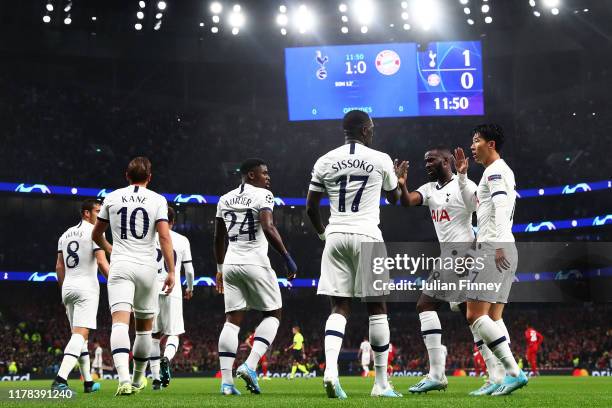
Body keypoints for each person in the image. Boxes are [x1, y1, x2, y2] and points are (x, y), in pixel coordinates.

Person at [306, 109, 405, 399]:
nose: (373, 131)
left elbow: (311, 207)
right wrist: (398, 180)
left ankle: (331, 372)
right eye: (371, 127)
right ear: (363, 130)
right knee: (377, 308)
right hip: (368, 235)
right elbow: (395, 198)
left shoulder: (325, 160)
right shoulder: (380, 159)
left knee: (339, 307)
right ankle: (381, 384)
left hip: (335, 235)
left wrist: (325, 235)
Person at [395, 147, 477, 393]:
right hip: (448, 257)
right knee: (468, 314)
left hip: (463, 255)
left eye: (430, 160)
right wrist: (401, 184)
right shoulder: (430, 190)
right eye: (424, 160)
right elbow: (408, 202)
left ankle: (438, 374)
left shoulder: (463, 184)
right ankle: (498, 370)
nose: (427, 164)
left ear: (446, 161)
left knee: (430, 305)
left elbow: (478, 210)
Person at [454, 124, 528, 396]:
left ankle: (513, 372)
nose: (472, 147)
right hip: (504, 246)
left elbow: (500, 207)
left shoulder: (495, 171)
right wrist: (462, 178)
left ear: (491, 144)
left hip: (492, 248)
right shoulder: (496, 172)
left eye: (476, 141)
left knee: (474, 315)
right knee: (494, 317)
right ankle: (500, 377)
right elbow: (476, 206)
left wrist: (495, 246)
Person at [92, 156, 175, 396]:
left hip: (121, 266)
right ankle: (139, 379)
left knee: (119, 322)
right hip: (147, 268)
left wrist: (110, 249)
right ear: (150, 177)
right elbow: (164, 237)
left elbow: (97, 234)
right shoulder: (158, 200)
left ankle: (124, 381)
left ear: (126, 176)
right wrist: (170, 271)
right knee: (144, 330)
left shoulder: (112, 197)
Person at [215, 158, 297, 396]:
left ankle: (226, 383)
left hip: (230, 263)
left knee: (232, 321)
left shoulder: (224, 198)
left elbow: (218, 238)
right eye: (264, 173)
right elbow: (268, 227)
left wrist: (219, 268)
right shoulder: (263, 195)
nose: (268, 177)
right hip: (255, 262)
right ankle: (250, 365)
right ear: (251, 175)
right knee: (274, 313)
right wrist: (286, 256)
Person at [52, 199, 109, 394]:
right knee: (80, 335)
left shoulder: (64, 234)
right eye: (97, 211)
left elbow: (59, 266)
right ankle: (60, 380)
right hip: (86, 288)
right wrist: (116, 282)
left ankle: (87, 383)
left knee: (81, 338)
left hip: (68, 287)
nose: (100, 216)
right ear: (86, 213)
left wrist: (63, 290)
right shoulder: (95, 233)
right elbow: (102, 263)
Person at [150, 206, 195, 390]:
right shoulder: (182, 240)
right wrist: (190, 288)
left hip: (152, 289)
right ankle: (166, 359)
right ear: (173, 222)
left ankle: (155, 380)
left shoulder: (150, 238)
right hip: (173, 289)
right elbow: (189, 271)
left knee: (153, 336)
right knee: (173, 333)